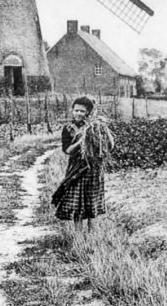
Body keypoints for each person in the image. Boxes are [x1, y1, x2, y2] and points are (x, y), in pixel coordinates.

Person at [51, 96, 114, 232]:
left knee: (92, 204)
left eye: (82, 111)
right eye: (76, 110)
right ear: (72, 110)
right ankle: (79, 238)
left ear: (88, 113)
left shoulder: (95, 126)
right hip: (76, 170)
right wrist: (81, 140)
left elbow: (110, 145)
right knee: (77, 205)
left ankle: (92, 236)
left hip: (93, 169)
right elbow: (67, 150)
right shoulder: (68, 129)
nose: (78, 113)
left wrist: (106, 132)